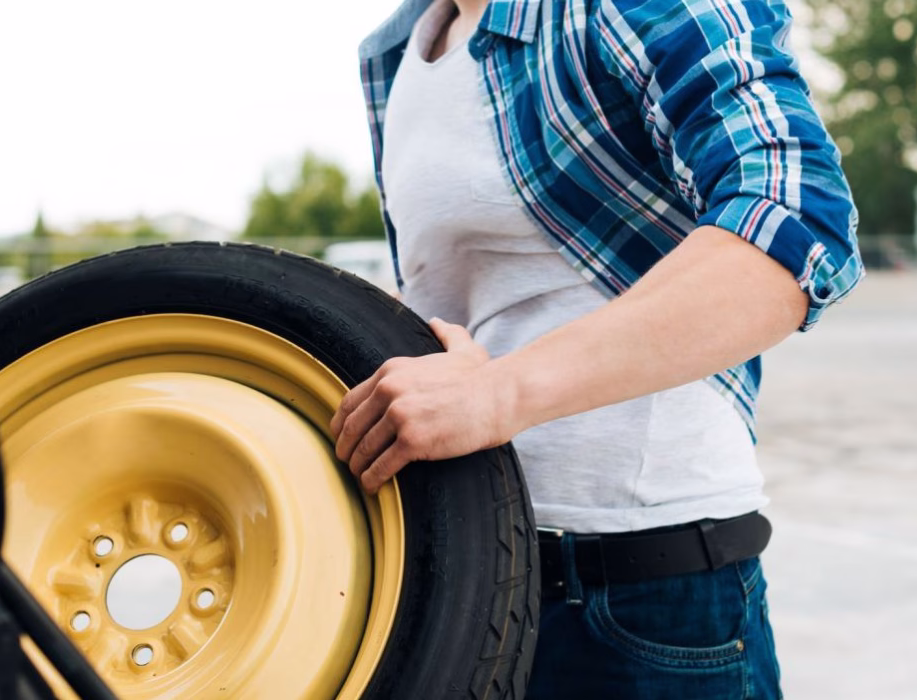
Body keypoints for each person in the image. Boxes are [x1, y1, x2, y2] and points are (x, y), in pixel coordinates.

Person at [329, 0, 862, 697]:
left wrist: (500, 394)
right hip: (461, 577)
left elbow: (797, 219)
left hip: (641, 592)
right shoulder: (394, 51)